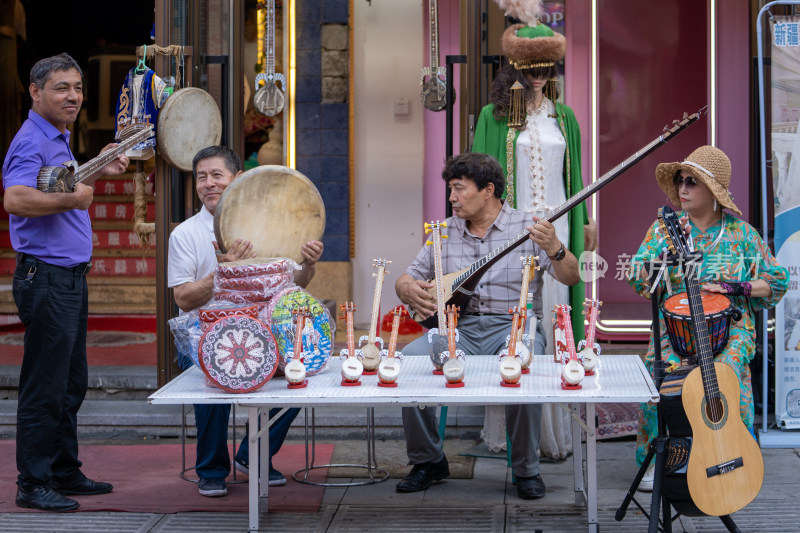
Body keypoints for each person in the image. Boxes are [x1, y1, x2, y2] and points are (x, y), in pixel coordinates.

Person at [394, 152, 581, 499]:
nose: (451, 198)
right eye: (450, 189)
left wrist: (555, 247)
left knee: (524, 368)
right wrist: (408, 290)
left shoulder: (528, 227)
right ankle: (429, 461)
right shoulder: (444, 233)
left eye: (459, 189)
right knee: (408, 364)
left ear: (488, 190)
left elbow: (571, 276)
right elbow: (407, 278)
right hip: (456, 326)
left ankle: (526, 470)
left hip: (512, 326)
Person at [3, 53, 129, 511]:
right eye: (61, 87)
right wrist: (76, 199)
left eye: (77, 87)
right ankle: (32, 483)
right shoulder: (30, 139)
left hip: (67, 278)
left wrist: (96, 166)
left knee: (71, 381)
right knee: (45, 385)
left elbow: (56, 184)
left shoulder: (55, 136)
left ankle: (62, 469)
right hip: (47, 278)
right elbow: (17, 199)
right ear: (35, 92)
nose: (73, 95)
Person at [471, 3, 594, 459]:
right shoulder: (494, 116)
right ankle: (513, 437)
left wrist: (584, 224)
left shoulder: (566, 118)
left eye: (547, 68)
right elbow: (480, 181)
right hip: (514, 232)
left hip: (558, 230)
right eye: (532, 67)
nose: (540, 76)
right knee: (517, 321)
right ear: (517, 67)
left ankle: (553, 431)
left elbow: (576, 180)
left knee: (554, 317)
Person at [627, 146, 788, 491]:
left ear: (714, 192)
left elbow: (777, 281)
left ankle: (732, 456)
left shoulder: (743, 236)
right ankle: (660, 460)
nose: (683, 188)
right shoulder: (663, 231)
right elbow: (637, 276)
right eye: (680, 181)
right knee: (660, 385)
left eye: (692, 182)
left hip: (730, 331)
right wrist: (664, 263)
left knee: (728, 381)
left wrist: (734, 287)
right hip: (677, 332)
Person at [168, 145, 323, 497]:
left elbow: (291, 288)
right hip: (201, 333)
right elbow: (183, 299)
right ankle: (211, 467)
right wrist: (221, 273)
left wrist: (309, 264)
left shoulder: (270, 223)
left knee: (301, 371)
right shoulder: (186, 235)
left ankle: (253, 454)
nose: (209, 184)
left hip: (264, 329)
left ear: (238, 179)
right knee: (214, 369)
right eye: (201, 177)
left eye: (217, 176)